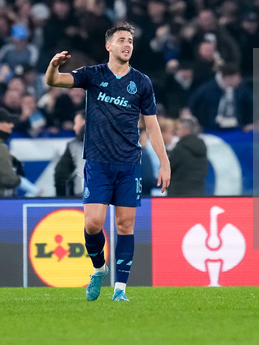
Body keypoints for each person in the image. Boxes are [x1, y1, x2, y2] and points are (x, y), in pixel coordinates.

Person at [44, 23, 171, 302]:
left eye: (130, 40)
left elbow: (152, 126)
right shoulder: (94, 75)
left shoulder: (142, 82)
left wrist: (164, 162)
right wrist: (53, 66)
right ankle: (99, 269)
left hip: (129, 163)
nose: (127, 44)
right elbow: (54, 82)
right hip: (99, 162)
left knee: (125, 225)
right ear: (109, 46)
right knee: (93, 224)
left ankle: (120, 290)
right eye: (121, 40)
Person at [168, 116, 209, 196]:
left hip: (178, 195)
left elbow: (168, 168)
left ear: (186, 130)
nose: (176, 132)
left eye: (179, 129)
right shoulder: (202, 148)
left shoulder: (180, 148)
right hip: (198, 194)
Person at [54, 111, 86, 197]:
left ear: (84, 122)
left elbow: (60, 174)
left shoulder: (74, 145)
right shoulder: (111, 142)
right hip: (108, 195)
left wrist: (61, 198)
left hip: (81, 194)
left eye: (76, 123)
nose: (74, 127)